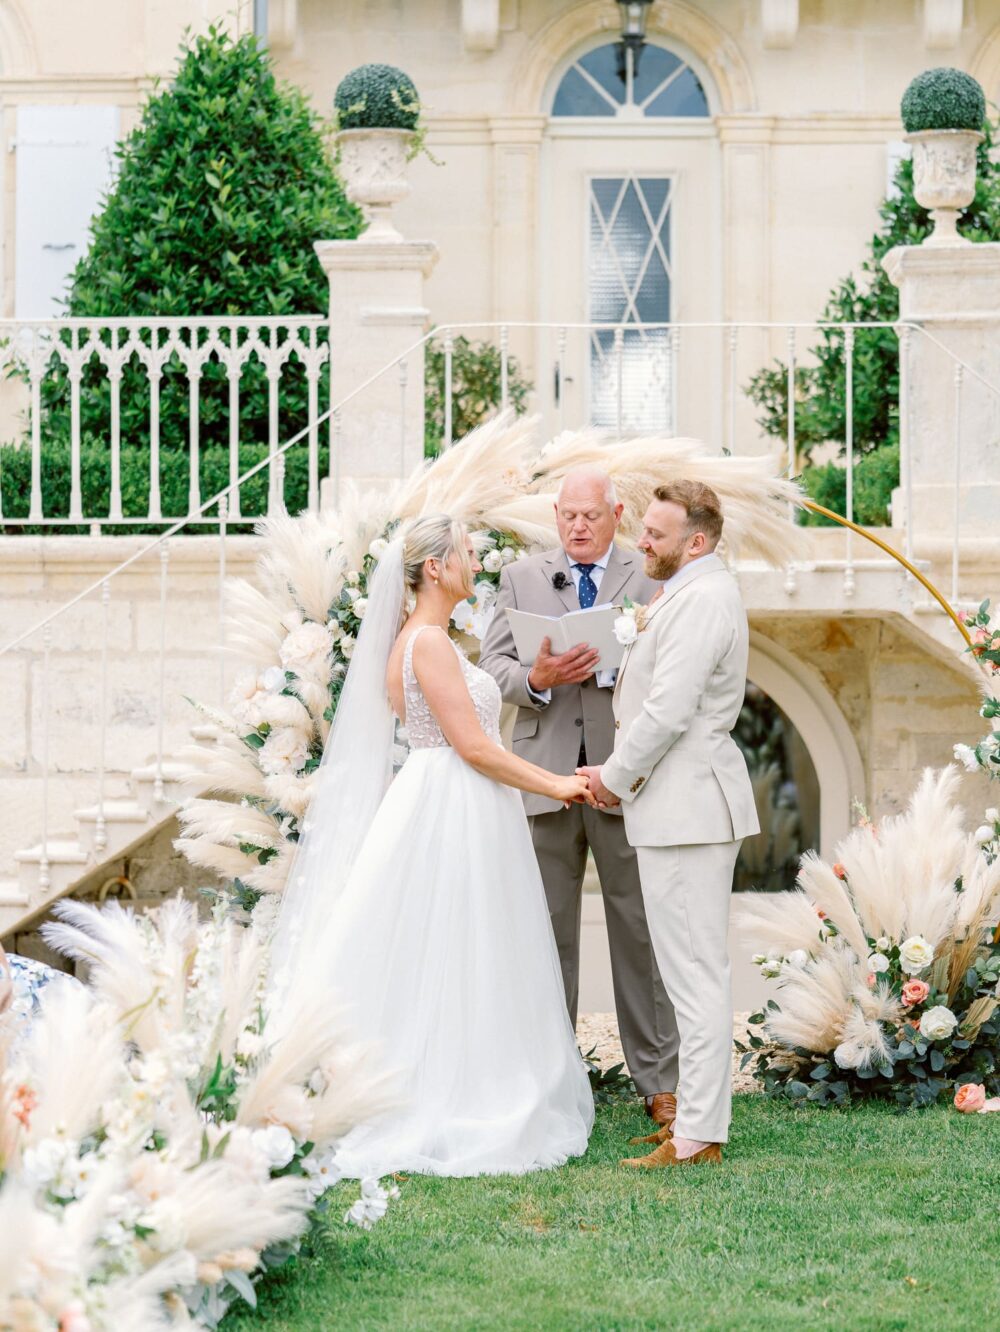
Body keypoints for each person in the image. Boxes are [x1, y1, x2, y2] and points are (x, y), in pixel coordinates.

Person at [269, 515, 595, 1178]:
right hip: (453, 804)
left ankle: (436, 1075)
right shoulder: (428, 644)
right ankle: (449, 1092)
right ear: (436, 569)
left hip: (444, 798)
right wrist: (557, 782)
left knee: (442, 947)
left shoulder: (419, 641)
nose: (478, 564)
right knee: (459, 944)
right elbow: (473, 747)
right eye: (469, 555)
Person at [479, 468, 680, 1129]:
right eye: (567, 515)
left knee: (639, 931)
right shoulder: (522, 577)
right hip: (544, 777)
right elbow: (494, 672)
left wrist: (622, 666)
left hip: (624, 777)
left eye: (591, 515)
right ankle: (548, 1077)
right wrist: (536, 678)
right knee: (546, 934)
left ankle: (660, 1081)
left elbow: (672, 661)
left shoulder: (648, 574)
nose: (578, 526)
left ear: (616, 514)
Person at [579, 481, 759, 1167]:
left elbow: (668, 710)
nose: (641, 543)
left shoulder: (705, 599)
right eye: (645, 529)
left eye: (655, 534)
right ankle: (695, 1122)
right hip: (674, 805)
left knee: (695, 972)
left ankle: (698, 1137)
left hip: (686, 807)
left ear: (698, 541)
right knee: (688, 969)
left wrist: (613, 778)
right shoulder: (688, 591)